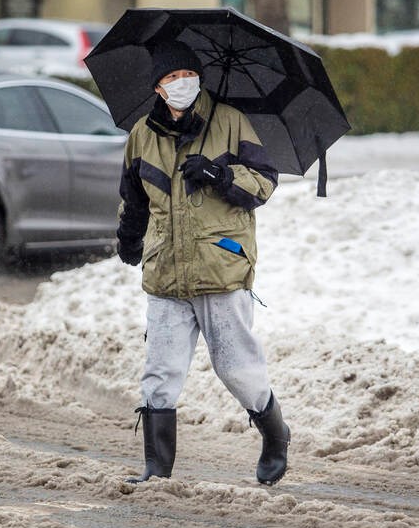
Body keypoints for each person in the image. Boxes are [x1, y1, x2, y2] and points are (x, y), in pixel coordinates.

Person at [116, 39, 290, 486]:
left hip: (221, 268)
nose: (181, 84)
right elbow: (133, 199)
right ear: (158, 87)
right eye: (172, 78)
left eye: (187, 76)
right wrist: (129, 239)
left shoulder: (230, 122)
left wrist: (221, 174)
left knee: (237, 370)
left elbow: (265, 184)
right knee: (160, 374)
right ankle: (157, 470)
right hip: (166, 274)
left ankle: (275, 434)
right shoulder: (141, 135)